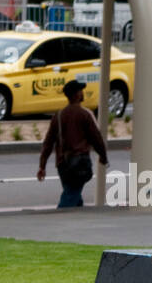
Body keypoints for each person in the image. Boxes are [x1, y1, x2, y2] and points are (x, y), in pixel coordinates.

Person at [37, 79, 109, 208]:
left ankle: (78, 215)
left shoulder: (58, 116)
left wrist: (42, 166)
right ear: (77, 94)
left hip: (62, 165)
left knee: (73, 192)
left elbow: (48, 143)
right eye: (81, 91)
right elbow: (96, 138)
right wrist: (103, 156)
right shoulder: (85, 114)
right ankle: (61, 218)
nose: (83, 93)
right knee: (70, 196)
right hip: (80, 164)